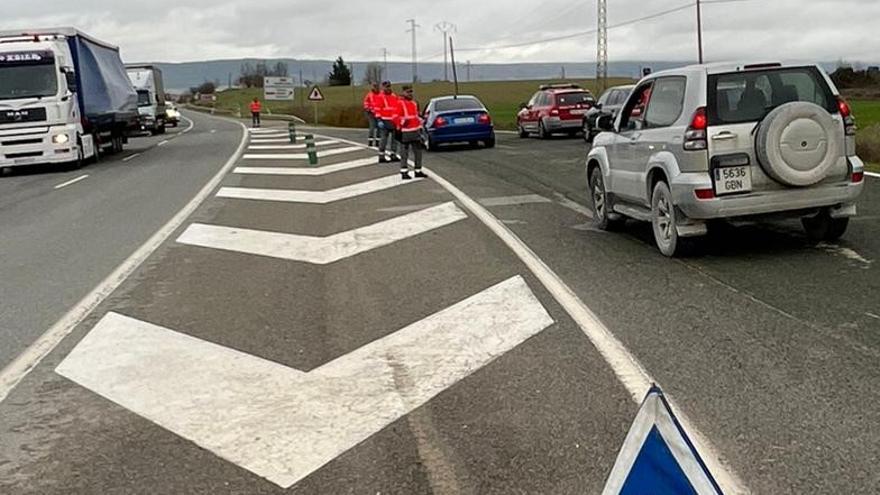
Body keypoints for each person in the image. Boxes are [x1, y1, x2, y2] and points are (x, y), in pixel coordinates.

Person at [395, 85, 426, 180]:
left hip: (415, 131)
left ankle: (418, 171)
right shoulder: (399, 103)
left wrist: (421, 125)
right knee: (404, 153)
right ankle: (404, 172)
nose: (410, 94)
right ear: (403, 92)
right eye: (408, 92)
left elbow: (416, 116)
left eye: (411, 92)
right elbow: (395, 117)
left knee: (418, 152)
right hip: (405, 132)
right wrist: (401, 124)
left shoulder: (414, 103)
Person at [375, 81, 400, 164]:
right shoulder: (380, 97)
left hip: (393, 121)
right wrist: (379, 120)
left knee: (394, 139)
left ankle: (393, 154)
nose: (388, 88)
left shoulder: (394, 96)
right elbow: (377, 109)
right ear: (383, 87)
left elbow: (397, 108)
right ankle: (381, 156)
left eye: (389, 86)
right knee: (384, 139)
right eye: (386, 86)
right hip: (384, 121)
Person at [363, 82, 383, 147]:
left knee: (379, 128)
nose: (376, 88)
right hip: (371, 113)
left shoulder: (381, 94)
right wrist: (368, 109)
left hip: (379, 113)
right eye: (374, 87)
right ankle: (370, 141)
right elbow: (366, 103)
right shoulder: (369, 95)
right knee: (372, 127)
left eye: (377, 86)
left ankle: (378, 142)